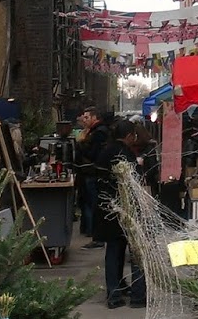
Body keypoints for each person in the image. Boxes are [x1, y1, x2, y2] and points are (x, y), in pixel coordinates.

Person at [94, 119, 147, 309]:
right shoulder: (123, 154)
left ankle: (115, 290)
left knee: (114, 252)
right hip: (122, 211)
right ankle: (120, 295)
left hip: (106, 208)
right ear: (128, 136)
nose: (135, 138)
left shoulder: (106, 150)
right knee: (127, 252)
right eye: (133, 134)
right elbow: (131, 184)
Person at [75, 106, 110, 244]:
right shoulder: (93, 131)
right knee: (88, 201)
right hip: (89, 172)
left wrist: (82, 144)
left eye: (87, 117)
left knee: (92, 202)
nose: (84, 120)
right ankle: (89, 229)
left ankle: (94, 232)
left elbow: (93, 153)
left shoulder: (98, 133)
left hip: (92, 172)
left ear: (94, 117)